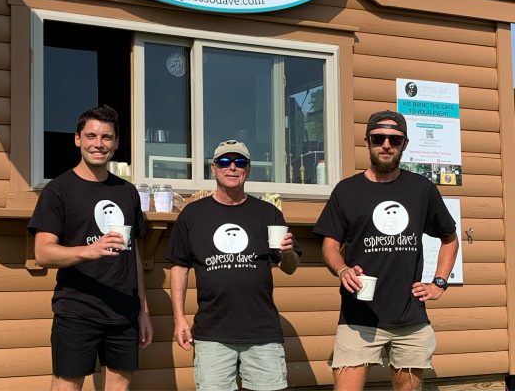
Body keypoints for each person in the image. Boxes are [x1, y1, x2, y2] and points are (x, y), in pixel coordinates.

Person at [313, 110, 459, 391]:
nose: (386, 145)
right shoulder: (347, 191)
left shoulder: (421, 189)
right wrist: (342, 269)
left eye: (394, 139)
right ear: (367, 141)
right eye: (379, 138)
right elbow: (329, 246)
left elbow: (449, 238)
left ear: (404, 144)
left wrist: (439, 282)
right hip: (358, 315)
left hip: (410, 317)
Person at [28, 104, 153, 391]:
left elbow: (134, 255)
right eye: (91, 136)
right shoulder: (58, 190)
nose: (99, 144)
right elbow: (43, 252)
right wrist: (89, 250)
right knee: (67, 385)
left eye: (106, 137)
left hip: (123, 311)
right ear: (78, 139)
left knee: (120, 386)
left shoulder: (127, 192)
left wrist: (142, 311)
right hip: (77, 310)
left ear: (116, 143)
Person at [168, 139, 302, 391]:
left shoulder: (267, 213)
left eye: (240, 162)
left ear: (248, 169)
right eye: (225, 162)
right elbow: (179, 267)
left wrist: (288, 252)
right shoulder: (193, 215)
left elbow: (290, 267)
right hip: (212, 332)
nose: (232, 167)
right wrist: (179, 319)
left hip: (262, 331)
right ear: (214, 168)